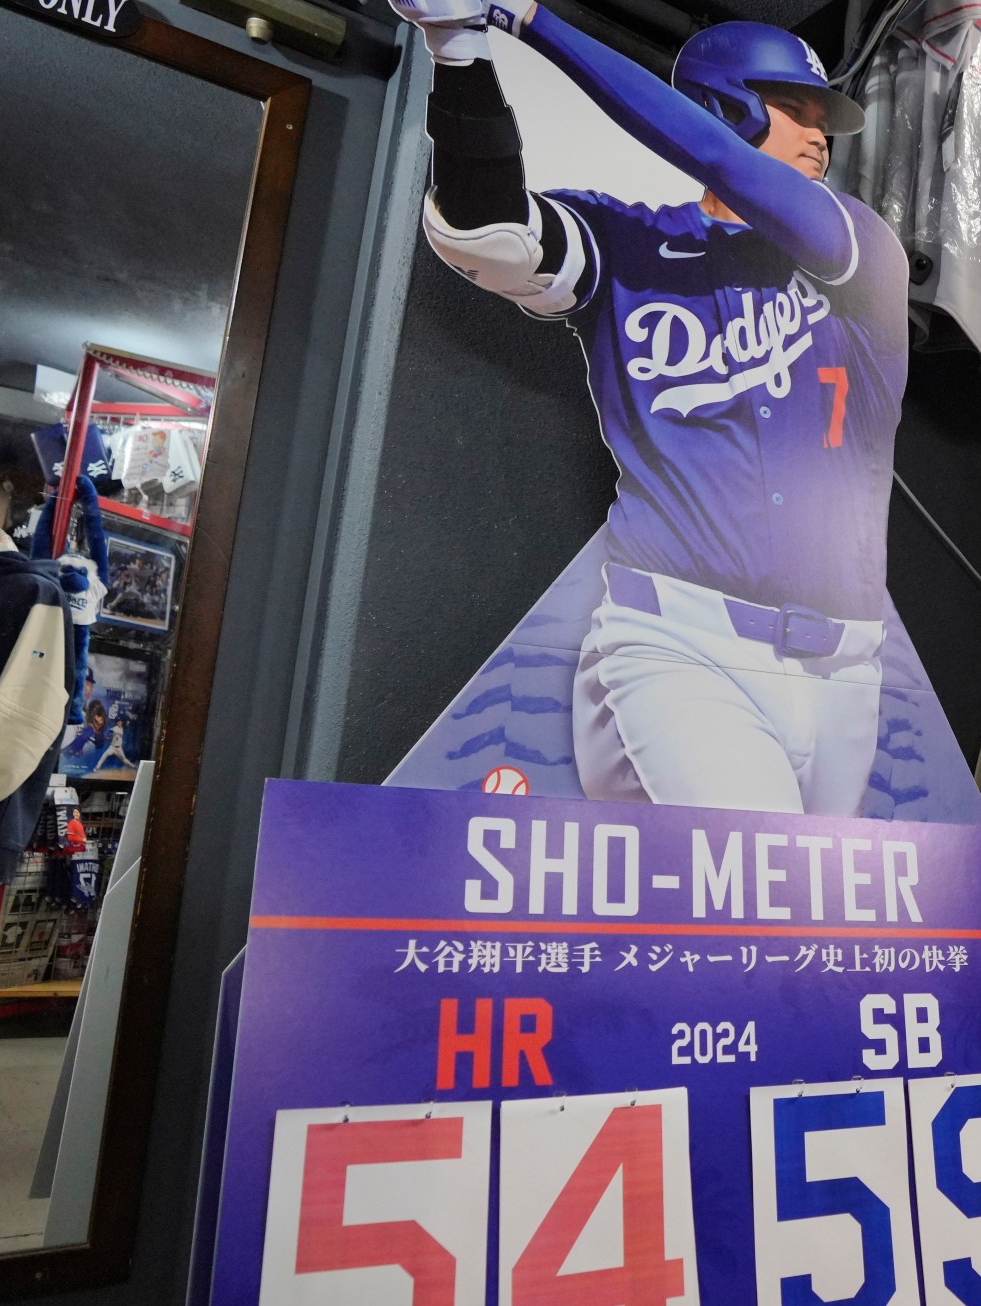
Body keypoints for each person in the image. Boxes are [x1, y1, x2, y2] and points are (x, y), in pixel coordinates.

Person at [386, 0, 942, 815]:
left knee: (793, 932)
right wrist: (460, 50)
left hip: (848, 673)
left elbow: (722, 161)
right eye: (797, 108)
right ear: (726, 104)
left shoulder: (861, 249)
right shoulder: (628, 242)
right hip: (680, 646)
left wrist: (530, 16)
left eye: (825, 115)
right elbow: (488, 231)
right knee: (763, 892)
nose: (822, 133)